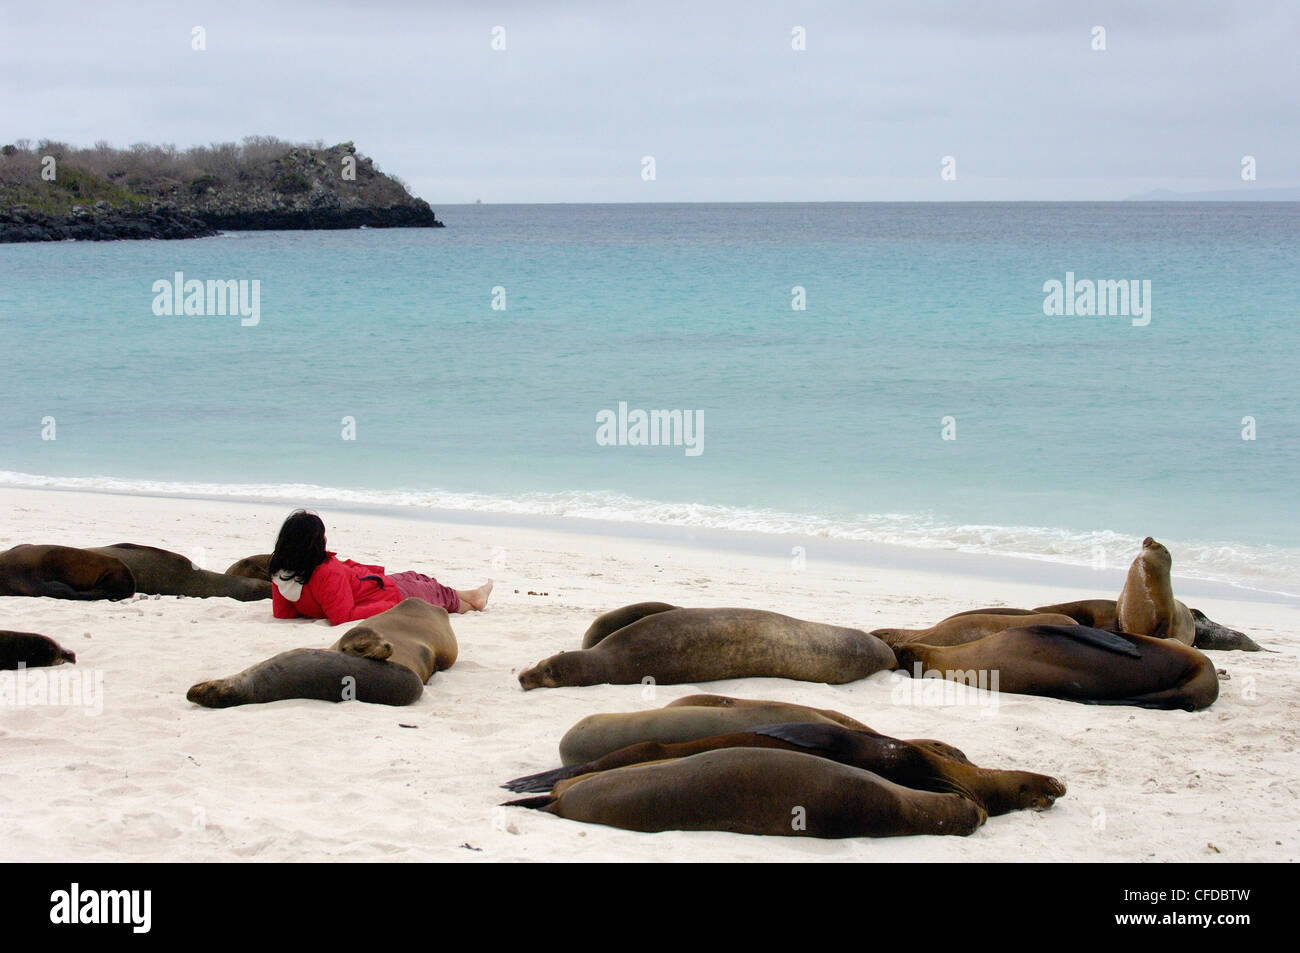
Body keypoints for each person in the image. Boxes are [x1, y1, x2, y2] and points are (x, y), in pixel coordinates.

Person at [267, 509, 492, 626]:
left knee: (419, 579)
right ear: (315, 542)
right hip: (385, 593)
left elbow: (282, 613)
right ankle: (475, 601)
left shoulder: (281, 571)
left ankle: (472, 595)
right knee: (435, 595)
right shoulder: (326, 571)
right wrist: (389, 605)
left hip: (372, 584)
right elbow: (343, 617)